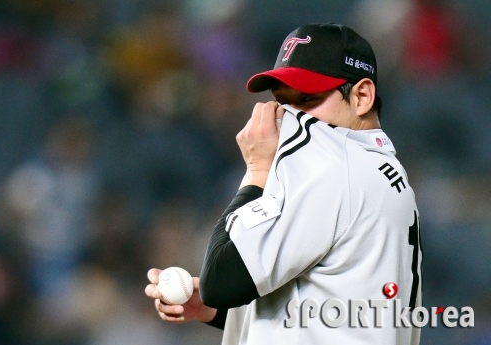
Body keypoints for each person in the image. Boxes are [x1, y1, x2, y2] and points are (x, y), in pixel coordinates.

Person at [145, 22, 422, 345]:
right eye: (282, 102)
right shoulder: (378, 169)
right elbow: (331, 311)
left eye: (306, 100)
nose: (291, 118)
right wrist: (217, 310)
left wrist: (257, 171)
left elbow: (221, 280)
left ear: (361, 96)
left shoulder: (333, 165)